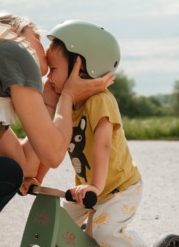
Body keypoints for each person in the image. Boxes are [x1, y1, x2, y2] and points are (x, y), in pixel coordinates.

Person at [0, 13, 115, 246]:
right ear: (14, 33)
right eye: (37, 36)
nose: (47, 52)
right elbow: (53, 154)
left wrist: (50, 101)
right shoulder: (13, 49)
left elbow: (25, 165)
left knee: (7, 172)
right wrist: (68, 97)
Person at [20, 20, 148, 247]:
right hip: (86, 192)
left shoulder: (101, 100)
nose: (48, 77)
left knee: (104, 232)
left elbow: (103, 146)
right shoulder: (67, 106)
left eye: (54, 70)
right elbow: (55, 146)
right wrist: (37, 178)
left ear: (80, 68)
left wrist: (95, 187)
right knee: (56, 224)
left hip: (118, 190)